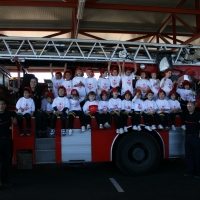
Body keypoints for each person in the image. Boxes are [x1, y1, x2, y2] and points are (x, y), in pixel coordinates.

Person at [0, 98, 17, 188]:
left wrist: (14, 118)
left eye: (3, 104)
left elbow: (14, 113)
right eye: (0, 104)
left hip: (6, 140)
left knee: (6, 162)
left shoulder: (8, 113)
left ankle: (4, 181)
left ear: (5, 106)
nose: (1, 106)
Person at [184, 102, 200, 178]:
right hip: (188, 138)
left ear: (194, 106)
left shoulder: (198, 114)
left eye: (191, 105)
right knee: (189, 156)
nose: (189, 106)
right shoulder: (186, 114)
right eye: (188, 105)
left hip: (195, 137)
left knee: (197, 156)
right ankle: (191, 172)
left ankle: (198, 173)